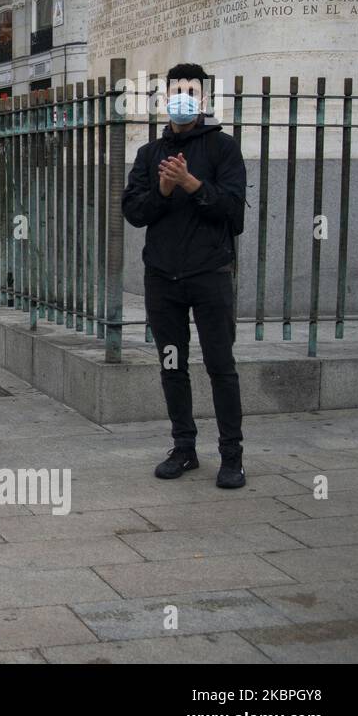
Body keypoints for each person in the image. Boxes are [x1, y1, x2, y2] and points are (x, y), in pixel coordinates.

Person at [122, 63, 248, 489]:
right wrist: (162, 190)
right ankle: (184, 447)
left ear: (204, 100)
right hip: (162, 278)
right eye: (174, 92)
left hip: (209, 274)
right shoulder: (149, 154)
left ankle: (232, 455)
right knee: (172, 364)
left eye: (189, 92)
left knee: (220, 365)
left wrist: (192, 184)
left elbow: (234, 213)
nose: (180, 99)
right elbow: (134, 212)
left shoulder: (223, 148)